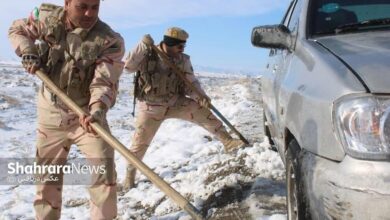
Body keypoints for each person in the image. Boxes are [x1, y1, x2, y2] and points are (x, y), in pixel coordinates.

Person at [8, 0, 125, 219]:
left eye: (95, 6)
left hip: (87, 114)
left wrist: (98, 109)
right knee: (47, 178)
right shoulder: (46, 19)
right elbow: (18, 29)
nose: (90, 13)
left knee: (104, 172)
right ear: (67, 3)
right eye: (82, 6)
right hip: (51, 112)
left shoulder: (110, 40)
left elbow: (104, 82)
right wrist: (28, 51)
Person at [122, 27, 246, 191]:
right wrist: (141, 45)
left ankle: (228, 141)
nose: (182, 50)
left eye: (183, 47)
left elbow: (190, 82)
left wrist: (201, 96)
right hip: (151, 107)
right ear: (169, 44)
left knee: (202, 112)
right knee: (139, 143)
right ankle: (129, 178)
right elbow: (127, 67)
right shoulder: (148, 53)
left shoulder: (182, 60)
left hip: (174, 102)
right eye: (179, 46)